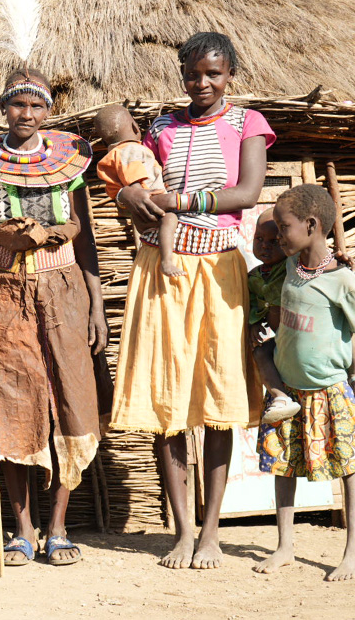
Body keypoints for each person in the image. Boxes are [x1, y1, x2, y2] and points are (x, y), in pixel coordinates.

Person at [110, 32, 275, 569]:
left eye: (214, 74)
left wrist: (178, 200)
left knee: (219, 402)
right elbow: (135, 190)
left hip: (219, 269)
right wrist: (127, 195)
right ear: (181, 73)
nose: (202, 83)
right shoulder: (160, 128)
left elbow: (246, 194)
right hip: (161, 267)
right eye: (193, 74)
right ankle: (182, 531)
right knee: (168, 403)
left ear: (231, 75)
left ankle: (211, 534)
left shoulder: (246, 124)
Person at [0, 68, 109, 567]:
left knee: (71, 397)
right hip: (3, 292)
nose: (27, 115)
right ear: (4, 107)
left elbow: (83, 236)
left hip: (63, 290)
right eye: (18, 106)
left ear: (49, 111)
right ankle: (21, 529)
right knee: (13, 400)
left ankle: (58, 525)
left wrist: (96, 303)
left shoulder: (70, 161)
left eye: (37, 107)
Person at [254, 184, 355, 581]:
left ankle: (351, 551)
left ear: (312, 225)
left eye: (283, 228)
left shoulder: (342, 280)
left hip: (329, 390)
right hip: (288, 390)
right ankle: (285, 546)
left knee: (348, 468)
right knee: (283, 465)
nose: (278, 236)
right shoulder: (290, 267)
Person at [95, 104, 184, 277]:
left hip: (139, 213)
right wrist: (141, 198)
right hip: (151, 203)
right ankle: (167, 261)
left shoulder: (114, 155)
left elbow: (116, 187)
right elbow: (133, 179)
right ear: (135, 127)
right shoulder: (132, 150)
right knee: (171, 219)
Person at [246, 208, 301, 423]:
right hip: (280, 340)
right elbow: (251, 302)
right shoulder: (255, 276)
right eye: (259, 238)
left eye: (273, 241)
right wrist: (254, 323)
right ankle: (280, 396)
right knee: (260, 354)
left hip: (303, 338)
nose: (264, 246)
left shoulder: (293, 267)